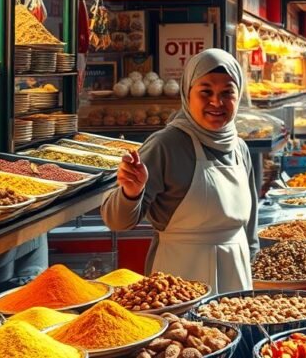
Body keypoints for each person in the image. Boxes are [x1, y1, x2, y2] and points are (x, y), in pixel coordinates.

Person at [102, 49, 258, 293]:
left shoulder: (240, 148)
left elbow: (250, 226)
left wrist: (253, 268)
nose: (216, 102)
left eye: (227, 92)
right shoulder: (166, 145)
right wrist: (131, 193)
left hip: (236, 281)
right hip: (178, 284)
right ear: (187, 93)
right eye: (205, 92)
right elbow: (117, 221)